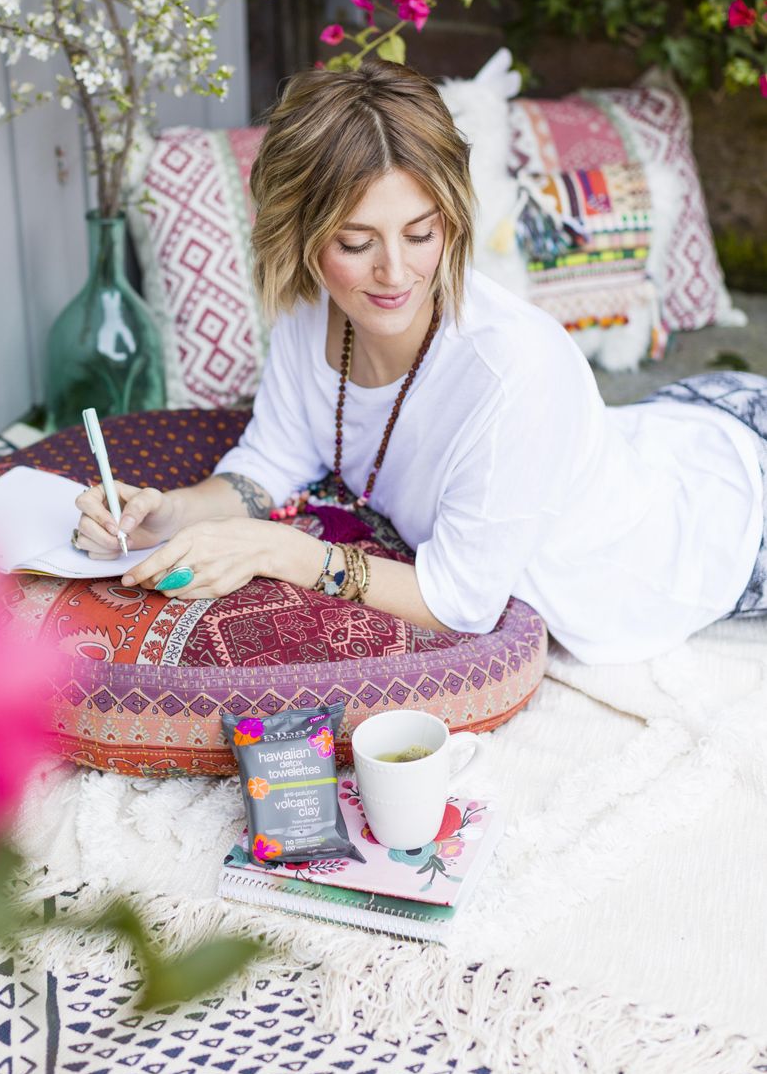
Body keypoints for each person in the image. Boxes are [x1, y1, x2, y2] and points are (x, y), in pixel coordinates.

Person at [73, 59, 767, 664]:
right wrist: (169, 514)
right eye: (354, 241)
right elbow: (272, 460)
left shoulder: (513, 367)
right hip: (661, 432)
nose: (394, 272)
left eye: (420, 232)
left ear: (452, 221)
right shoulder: (309, 311)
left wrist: (274, 550)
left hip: (730, 517)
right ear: (302, 235)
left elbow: (462, 601)